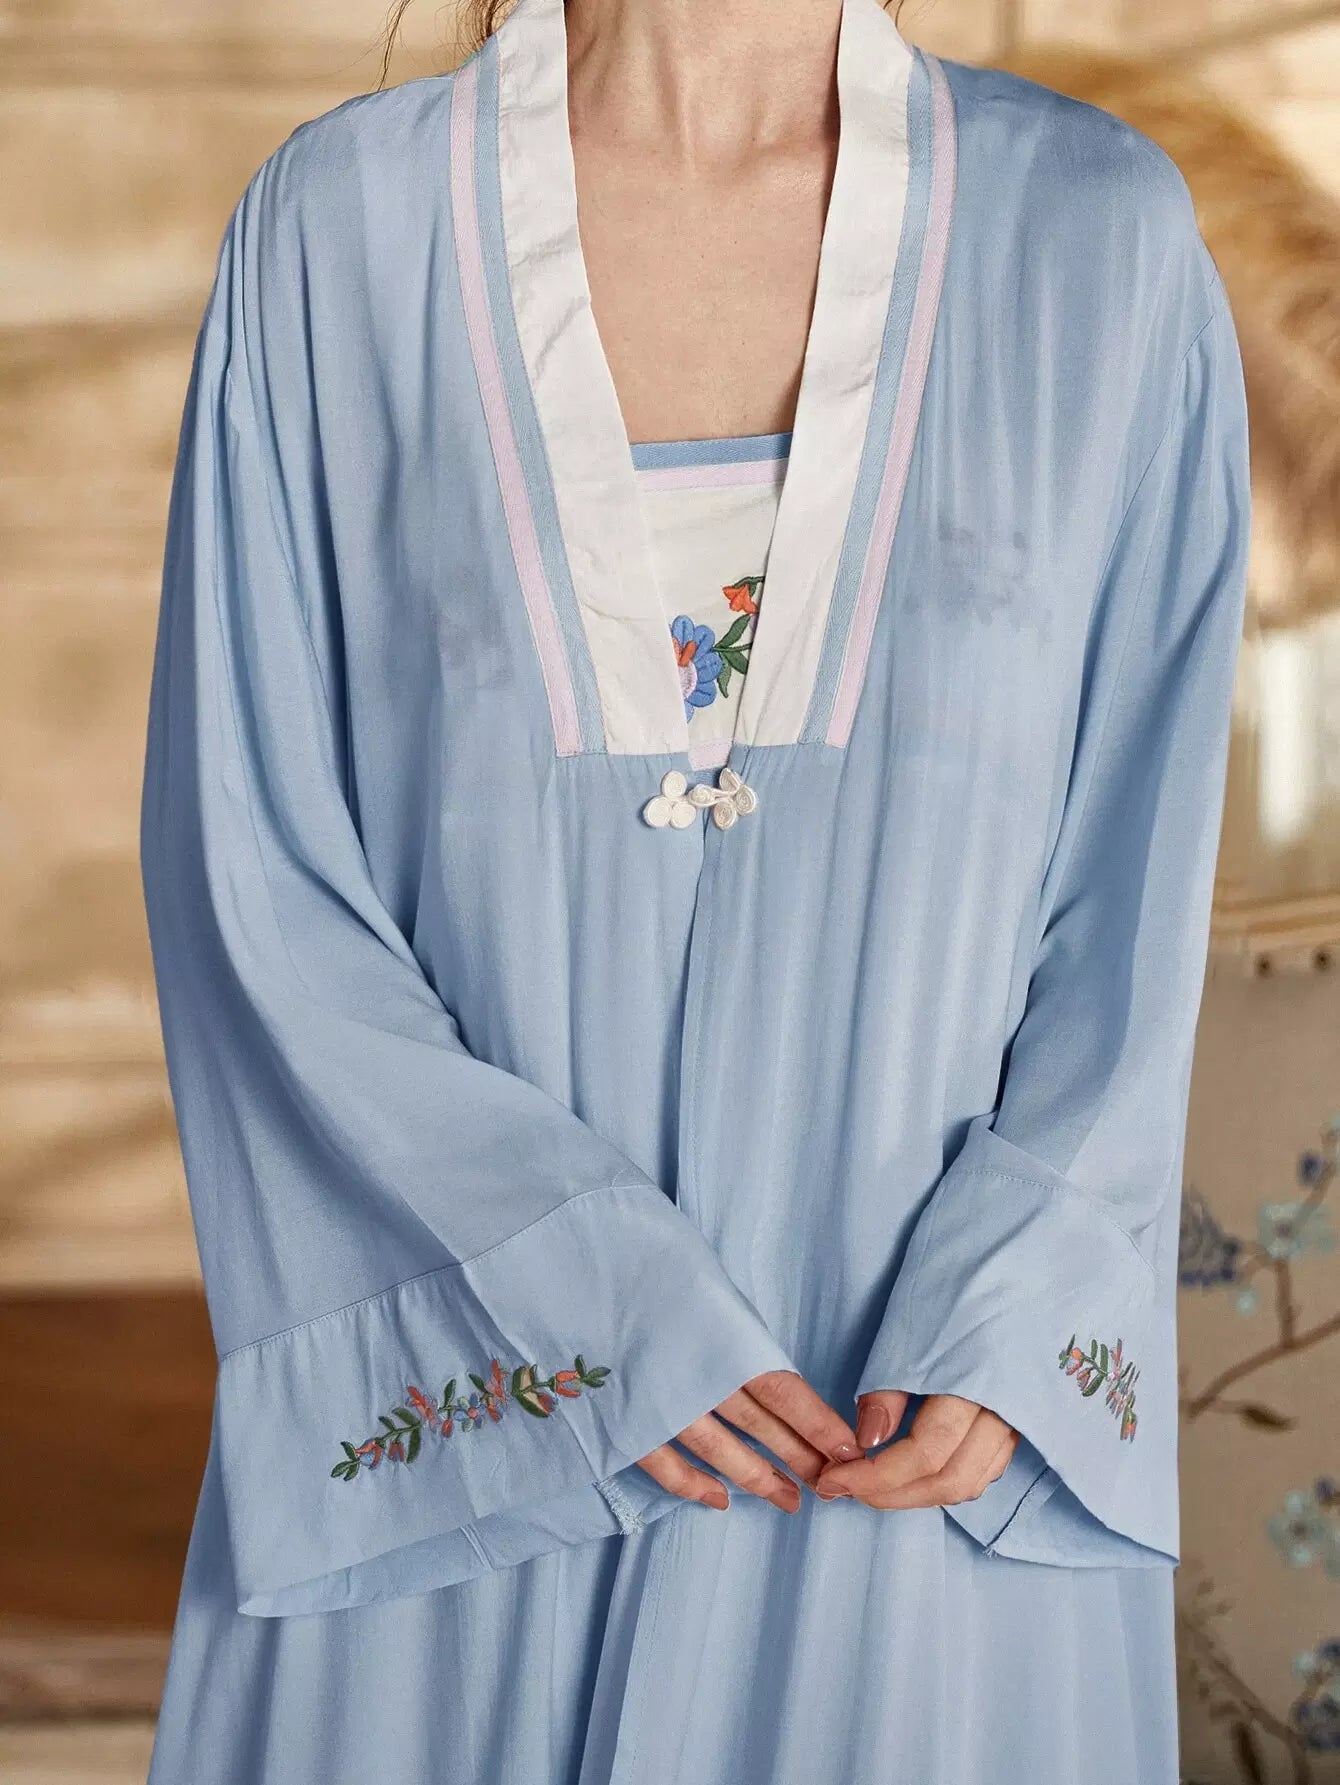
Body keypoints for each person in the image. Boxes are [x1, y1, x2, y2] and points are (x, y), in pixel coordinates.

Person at [138, 0, 1251, 1777]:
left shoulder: (1097, 246)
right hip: (468, 1506)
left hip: (912, 1489)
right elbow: (252, 878)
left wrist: (1021, 1297)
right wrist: (583, 1304)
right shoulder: (333, 241)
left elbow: (1140, 872)